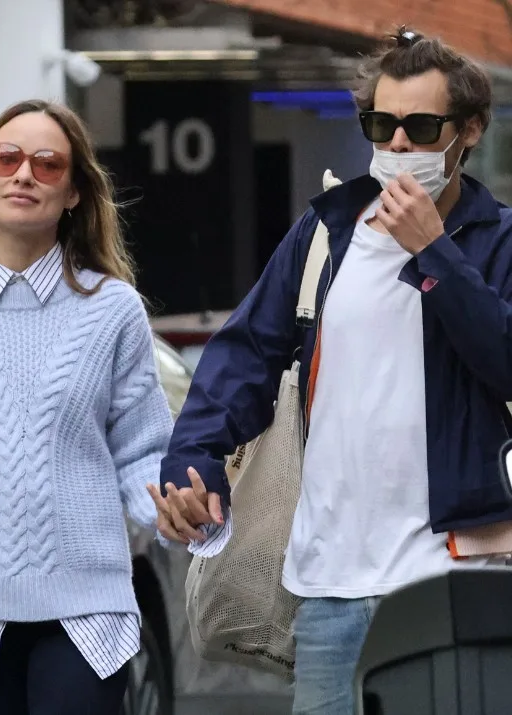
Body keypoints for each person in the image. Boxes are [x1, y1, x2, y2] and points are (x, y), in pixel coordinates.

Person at [151, 27, 512, 715]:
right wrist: (190, 463)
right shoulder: (325, 234)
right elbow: (242, 358)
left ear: (468, 131)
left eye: (420, 127)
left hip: (455, 577)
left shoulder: (500, 241)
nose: (397, 143)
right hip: (329, 589)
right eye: (380, 124)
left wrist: (434, 252)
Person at [0, 98, 180, 715]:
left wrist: (181, 509)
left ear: (74, 192)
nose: (24, 174)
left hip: (87, 611)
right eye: (7, 158)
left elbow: (142, 451)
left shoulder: (113, 309)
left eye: (47, 163)